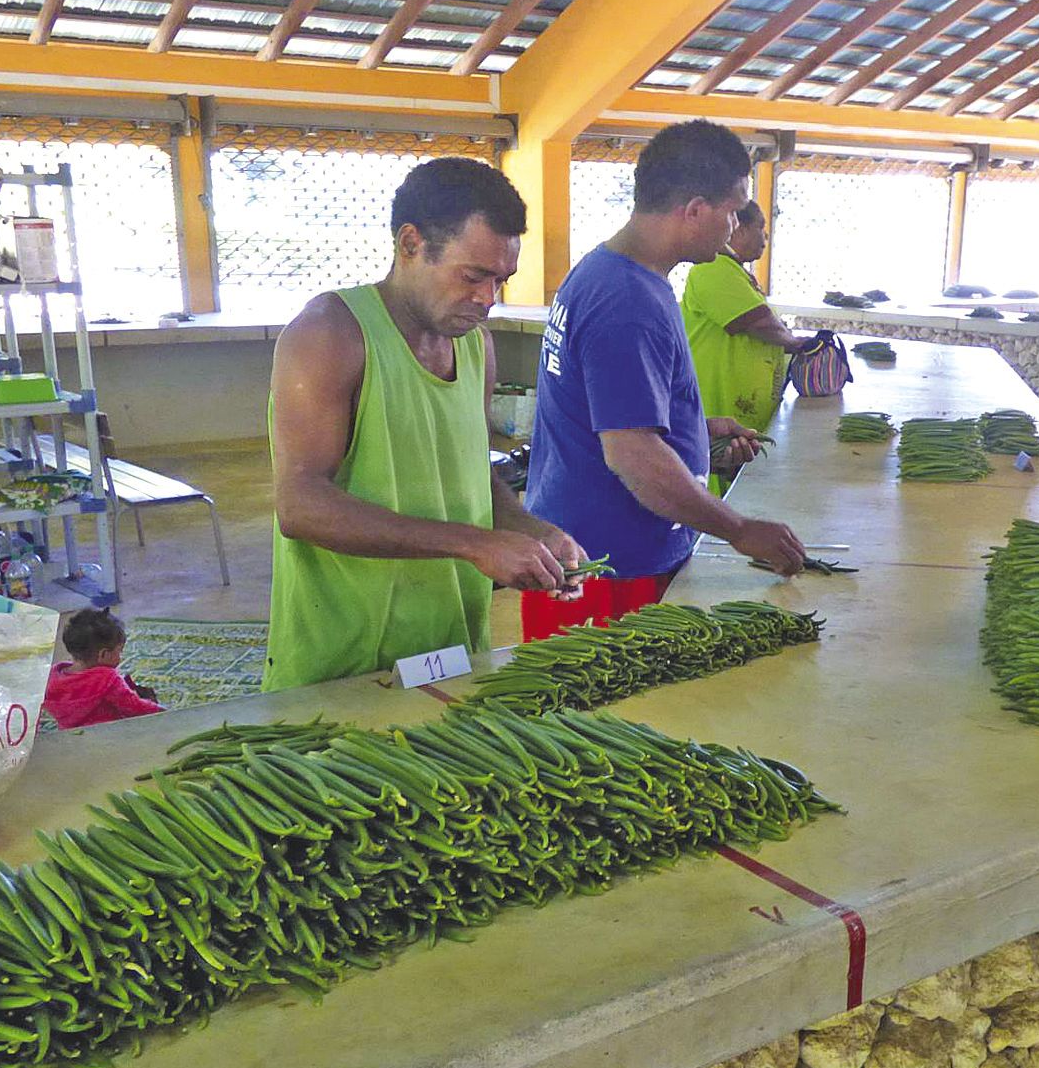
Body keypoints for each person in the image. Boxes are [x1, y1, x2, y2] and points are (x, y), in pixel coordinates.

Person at [265, 157, 588, 691]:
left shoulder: (476, 346)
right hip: (345, 660)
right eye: (473, 276)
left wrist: (527, 530)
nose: (488, 299)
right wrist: (474, 544)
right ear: (410, 244)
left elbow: (473, 472)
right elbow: (300, 506)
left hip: (453, 644)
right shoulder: (330, 334)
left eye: (501, 280)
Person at [525, 119, 807, 606]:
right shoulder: (628, 301)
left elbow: (611, 416)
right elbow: (632, 455)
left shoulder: (607, 270)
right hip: (610, 566)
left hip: (594, 545)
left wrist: (695, 431)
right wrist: (739, 529)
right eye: (733, 212)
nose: (735, 227)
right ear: (694, 211)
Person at [680, 200, 816, 437]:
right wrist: (793, 342)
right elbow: (759, 322)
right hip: (720, 413)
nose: (765, 238)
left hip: (741, 411)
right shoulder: (712, 267)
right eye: (760, 228)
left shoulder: (734, 271)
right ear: (738, 228)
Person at [44, 608, 162, 729]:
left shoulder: (52, 677)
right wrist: (161, 710)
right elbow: (135, 708)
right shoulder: (107, 679)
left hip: (70, 735)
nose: (120, 656)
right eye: (119, 651)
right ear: (104, 654)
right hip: (108, 733)